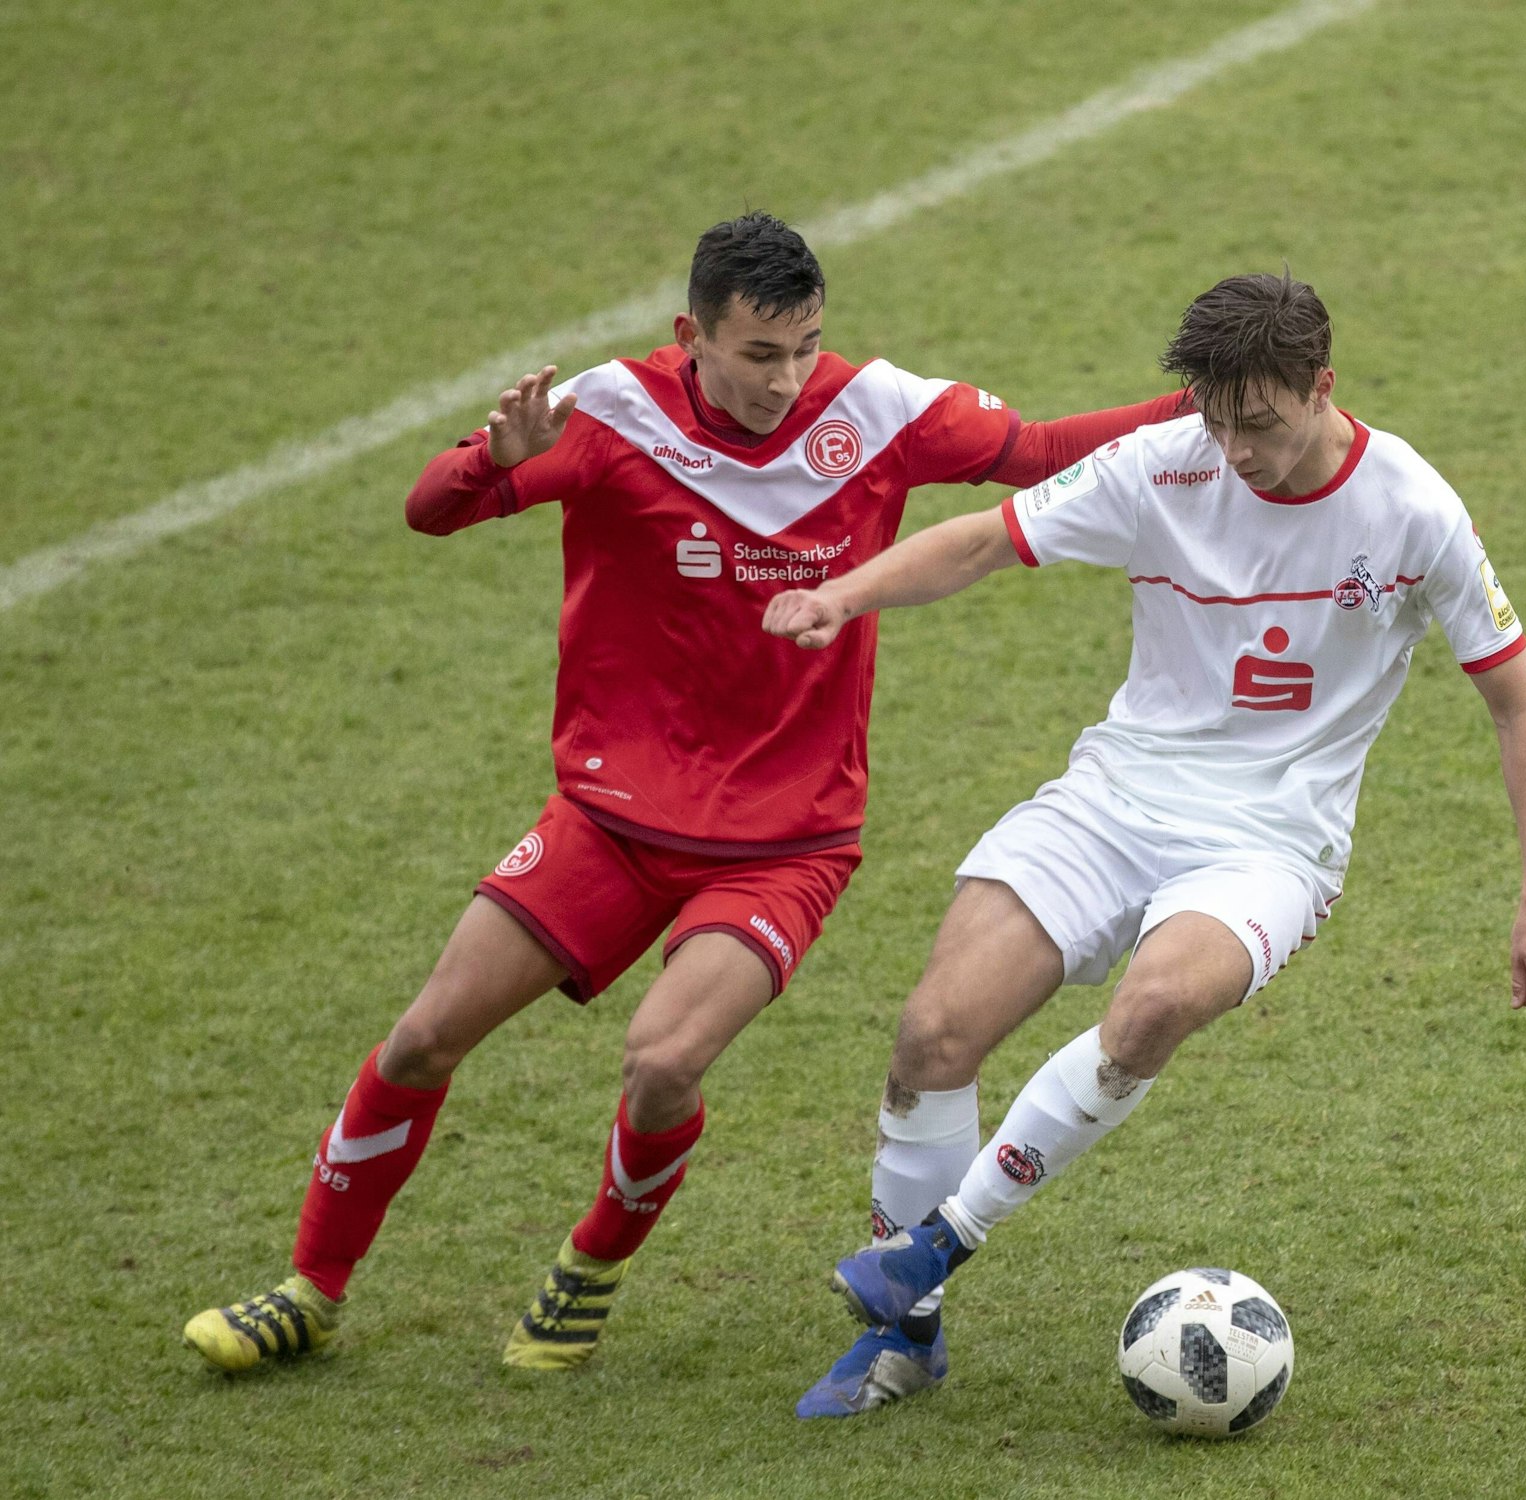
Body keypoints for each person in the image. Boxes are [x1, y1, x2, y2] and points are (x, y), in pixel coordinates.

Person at [181, 211, 1187, 1375]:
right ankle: (309, 1288)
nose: (788, 377)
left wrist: (1208, 405)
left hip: (785, 840)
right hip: (608, 819)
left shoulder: (876, 413)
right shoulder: (610, 413)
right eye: (760, 353)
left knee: (662, 1063)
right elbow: (430, 510)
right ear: (690, 336)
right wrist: (492, 462)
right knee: (422, 1037)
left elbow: (1044, 448)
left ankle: (591, 1264)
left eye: (805, 345)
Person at [765, 271, 1526, 1417]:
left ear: (1321, 387)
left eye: (1261, 421)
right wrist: (845, 594)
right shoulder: (1165, 462)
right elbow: (982, 544)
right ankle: (910, 1340)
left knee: (1150, 1009)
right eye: (1218, 418)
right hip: (1113, 799)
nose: (1237, 450)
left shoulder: (1411, 510)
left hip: (1268, 843)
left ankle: (934, 1249)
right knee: (932, 1031)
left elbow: (1519, 705)